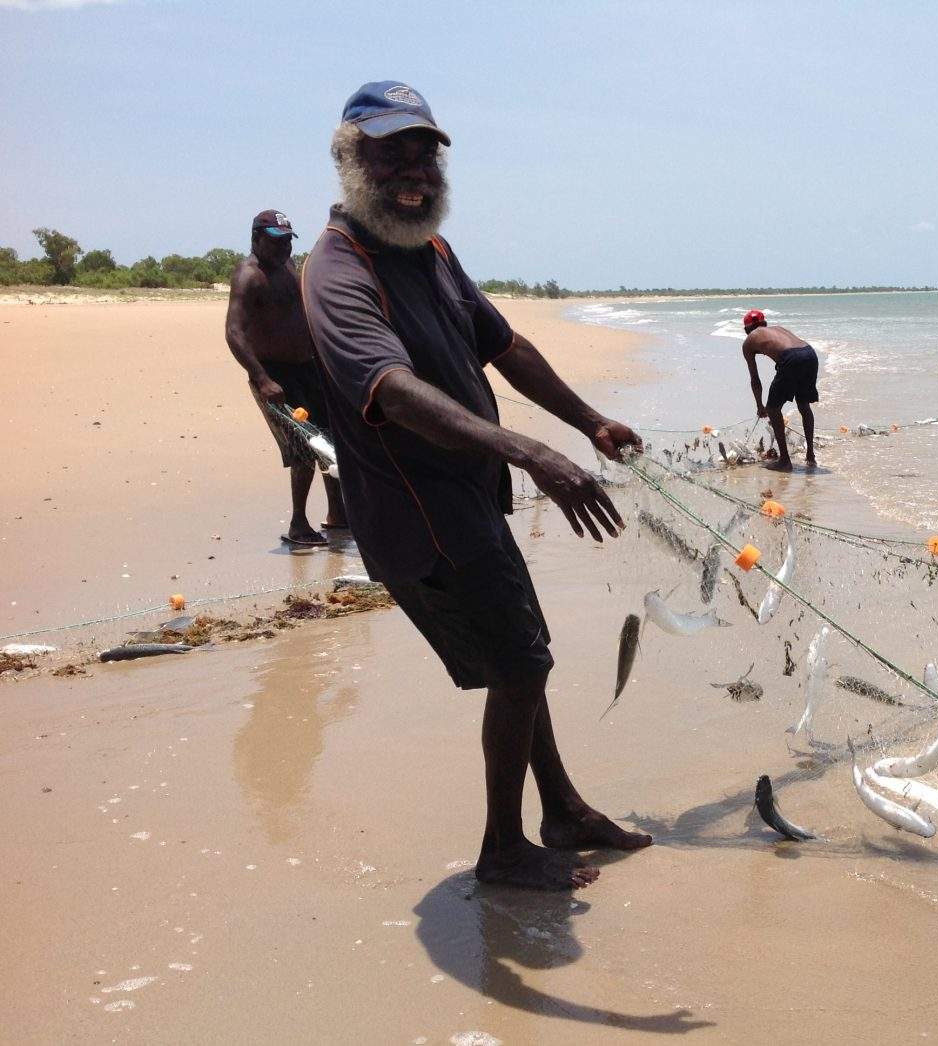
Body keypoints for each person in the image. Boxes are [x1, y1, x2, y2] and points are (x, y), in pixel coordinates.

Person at [301, 81, 651, 891]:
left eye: (426, 150)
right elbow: (388, 387)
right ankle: (503, 848)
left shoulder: (429, 249)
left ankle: (560, 810)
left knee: (518, 659)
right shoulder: (336, 270)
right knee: (522, 665)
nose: (414, 169)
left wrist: (587, 419)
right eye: (393, 151)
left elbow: (505, 344)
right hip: (418, 518)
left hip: (469, 502)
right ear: (351, 158)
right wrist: (530, 453)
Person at [225, 209, 347, 547]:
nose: (284, 249)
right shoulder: (249, 276)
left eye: (288, 242)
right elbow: (234, 333)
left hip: (308, 368)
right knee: (303, 448)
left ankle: (338, 514)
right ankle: (298, 524)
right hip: (275, 374)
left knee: (329, 440)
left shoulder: (288, 267)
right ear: (257, 239)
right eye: (276, 242)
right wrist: (262, 378)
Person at [741, 309, 819, 471]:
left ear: (747, 329)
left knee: (773, 408)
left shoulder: (749, 341)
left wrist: (760, 406)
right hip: (809, 354)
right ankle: (810, 455)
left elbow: (755, 379)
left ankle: (785, 461)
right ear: (765, 324)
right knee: (803, 405)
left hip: (790, 358)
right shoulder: (778, 329)